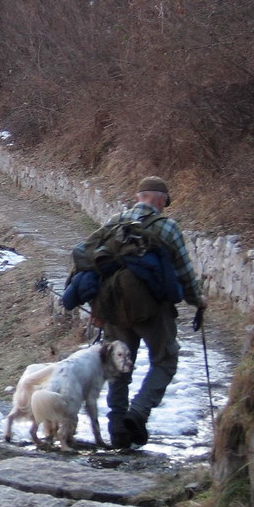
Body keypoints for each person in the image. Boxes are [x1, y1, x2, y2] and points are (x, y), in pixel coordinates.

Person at [87, 176, 206, 450]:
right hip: (153, 309)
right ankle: (138, 414)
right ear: (160, 200)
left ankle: (117, 428)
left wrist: (97, 309)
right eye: (165, 203)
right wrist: (197, 299)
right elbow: (184, 270)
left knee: (118, 365)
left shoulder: (114, 222)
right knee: (165, 360)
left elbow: (91, 263)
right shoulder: (167, 227)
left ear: (139, 196)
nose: (164, 207)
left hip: (114, 307)